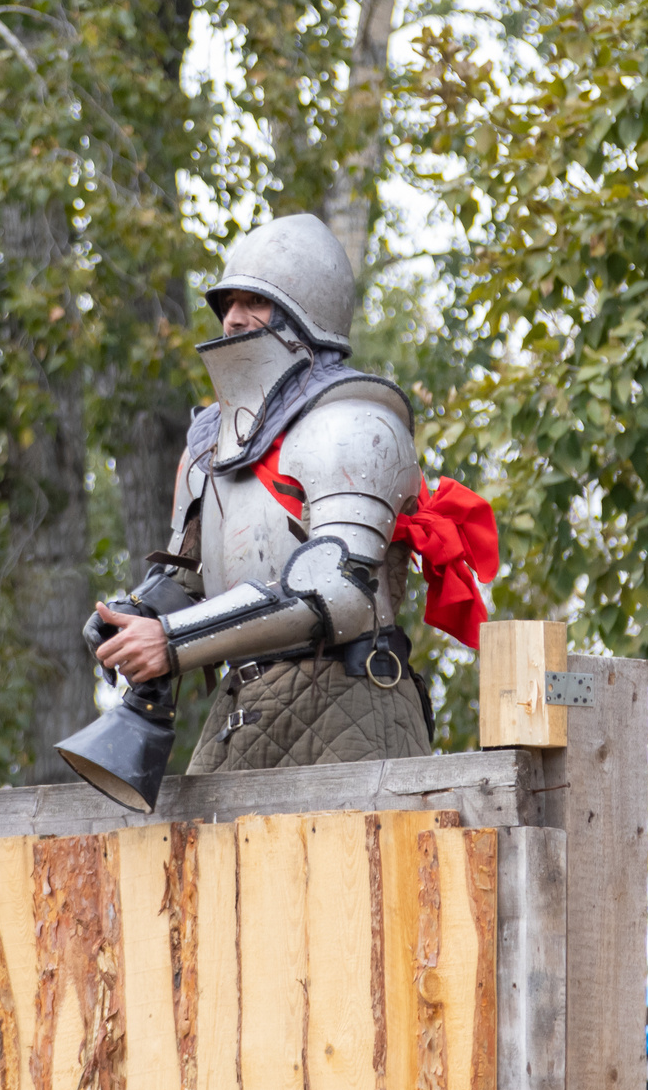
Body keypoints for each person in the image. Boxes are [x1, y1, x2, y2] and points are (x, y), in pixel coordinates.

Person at [84, 212, 496, 771]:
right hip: (244, 706)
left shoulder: (354, 423)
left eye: (255, 302)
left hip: (349, 701)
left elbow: (340, 591)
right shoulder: (210, 440)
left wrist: (172, 640)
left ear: (307, 307)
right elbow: (191, 578)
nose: (233, 319)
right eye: (226, 304)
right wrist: (132, 614)